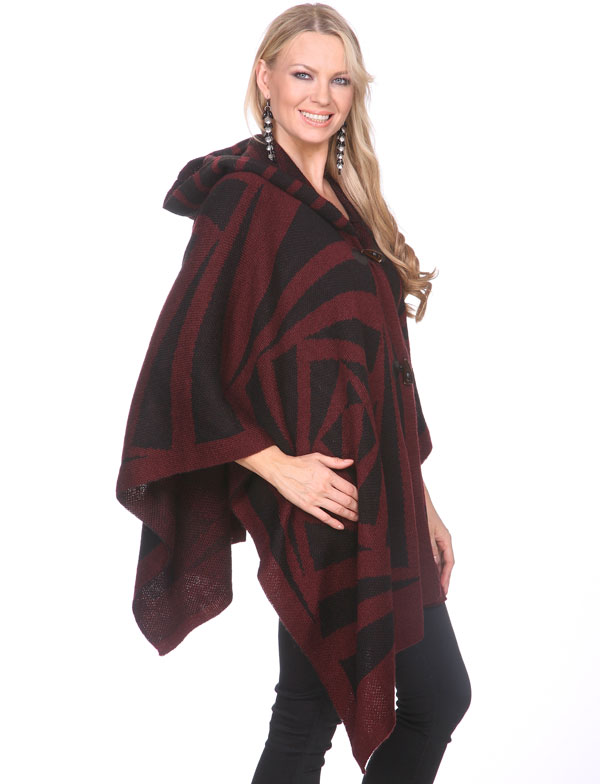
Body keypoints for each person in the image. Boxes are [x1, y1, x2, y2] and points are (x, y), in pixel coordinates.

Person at [115, 4, 471, 783]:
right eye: (303, 74)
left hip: (381, 492)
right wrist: (279, 469)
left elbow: (381, 373)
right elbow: (180, 368)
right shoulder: (244, 199)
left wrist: (421, 500)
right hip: (316, 496)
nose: (322, 96)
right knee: (367, 705)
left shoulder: (352, 204)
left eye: (339, 80)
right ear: (265, 78)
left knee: (380, 703)